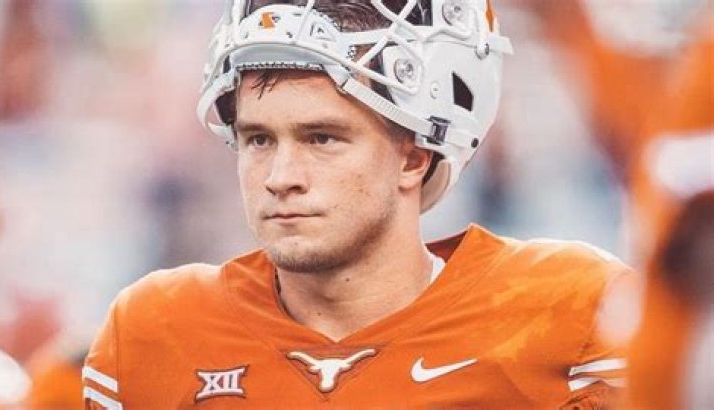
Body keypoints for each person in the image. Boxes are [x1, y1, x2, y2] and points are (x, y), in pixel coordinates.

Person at [83, 0, 631, 407]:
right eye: (259, 139)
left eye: (322, 138)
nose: (280, 178)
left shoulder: (565, 316)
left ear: (414, 157)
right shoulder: (156, 331)